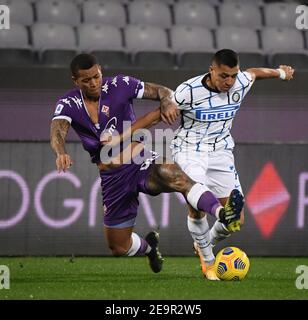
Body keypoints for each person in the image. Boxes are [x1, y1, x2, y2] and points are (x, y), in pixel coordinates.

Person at [50, 53, 244, 280]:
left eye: (96, 76)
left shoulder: (120, 85)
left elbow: (162, 91)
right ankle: (150, 248)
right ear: (76, 81)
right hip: (113, 178)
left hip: (139, 159)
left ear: (101, 70)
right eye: (86, 80)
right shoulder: (69, 103)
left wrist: (166, 101)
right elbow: (57, 129)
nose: (94, 83)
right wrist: (61, 152)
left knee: (175, 175)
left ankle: (223, 213)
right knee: (118, 247)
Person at [169, 49, 295, 277]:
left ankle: (204, 242)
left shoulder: (240, 82)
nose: (229, 81)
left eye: (233, 75)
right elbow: (162, 111)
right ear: (212, 70)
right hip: (189, 149)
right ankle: (208, 263)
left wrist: (280, 73)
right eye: (224, 76)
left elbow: (254, 73)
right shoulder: (188, 90)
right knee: (197, 206)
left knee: (236, 219)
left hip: (221, 151)